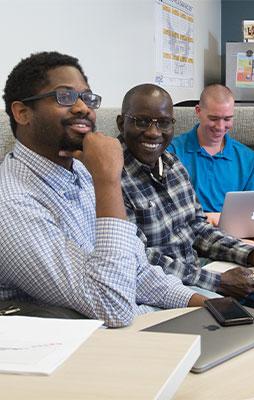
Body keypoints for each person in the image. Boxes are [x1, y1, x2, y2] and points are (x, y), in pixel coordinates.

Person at [0, 51, 207, 328]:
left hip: (144, 320)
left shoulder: (80, 173)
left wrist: (204, 302)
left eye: (87, 97)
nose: (82, 108)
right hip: (97, 346)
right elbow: (112, 307)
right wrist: (108, 180)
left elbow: (138, 271)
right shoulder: (13, 203)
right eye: (65, 97)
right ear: (22, 113)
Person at [117, 83, 254, 317]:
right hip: (167, 288)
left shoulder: (172, 164)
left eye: (163, 123)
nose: (153, 132)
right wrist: (217, 281)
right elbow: (140, 258)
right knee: (228, 306)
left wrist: (250, 255)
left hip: (195, 271)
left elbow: (198, 228)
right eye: (142, 121)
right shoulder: (112, 175)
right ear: (121, 124)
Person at [167, 83, 254, 317]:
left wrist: (232, 224)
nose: (221, 126)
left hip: (237, 232)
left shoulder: (246, 158)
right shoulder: (174, 151)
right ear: (198, 112)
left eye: (227, 119)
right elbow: (174, 212)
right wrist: (211, 218)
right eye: (214, 118)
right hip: (196, 232)